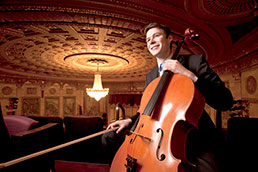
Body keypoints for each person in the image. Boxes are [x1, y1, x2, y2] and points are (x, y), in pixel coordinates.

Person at [102, 22, 233, 172]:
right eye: (148, 39)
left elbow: (225, 101)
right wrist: (129, 120)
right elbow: (146, 112)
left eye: (156, 36)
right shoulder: (151, 76)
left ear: (169, 38)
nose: (151, 41)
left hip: (193, 135)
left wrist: (189, 75)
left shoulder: (195, 62)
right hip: (156, 136)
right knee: (108, 137)